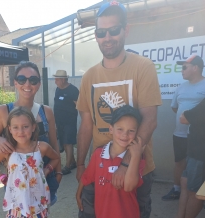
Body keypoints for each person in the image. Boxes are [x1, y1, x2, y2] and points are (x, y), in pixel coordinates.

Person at [75, 1, 162, 218]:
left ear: (126, 30)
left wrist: (125, 163)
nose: (107, 37)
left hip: (135, 169)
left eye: (114, 30)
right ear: (95, 35)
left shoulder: (143, 67)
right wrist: (80, 164)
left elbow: (150, 120)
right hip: (98, 168)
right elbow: (86, 125)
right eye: (101, 32)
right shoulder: (89, 76)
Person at [0, 61, 62, 206]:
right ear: (15, 82)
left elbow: (54, 145)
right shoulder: (3, 111)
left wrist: (58, 174)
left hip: (45, 180)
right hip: (17, 184)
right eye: (22, 79)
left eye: (33, 80)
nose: (27, 84)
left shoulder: (46, 112)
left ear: (39, 84)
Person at [0, 106, 60, 217]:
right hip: (17, 205)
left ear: (33, 127)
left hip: (39, 204)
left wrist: (47, 170)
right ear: (9, 129)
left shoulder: (42, 147)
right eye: (15, 127)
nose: (21, 131)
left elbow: (56, 158)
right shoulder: (7, 150)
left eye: (25, 126)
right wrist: (3, 178)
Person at [76, 105, 144, 218]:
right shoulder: (98, 154)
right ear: (111, 129)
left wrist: (136, 155)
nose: (125, 135)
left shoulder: (137, 157)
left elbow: (128, 187)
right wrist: (78, 194)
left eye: (131, 131)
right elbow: (87, 177)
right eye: (120, 129)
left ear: (137, 133)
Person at [162, 55, 205, 201]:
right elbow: (175, 108)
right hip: (180, 134)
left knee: (199, 165)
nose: (182, 70)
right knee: (179, 162)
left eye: (184, 67)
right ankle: (177, 190)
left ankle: (199, 195)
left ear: (195, 68)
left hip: (199, 137)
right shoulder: (181, 87)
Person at [176, 98, 205, 218]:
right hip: (194, 152)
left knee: (196, 192)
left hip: (200, 155)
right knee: (185, 182)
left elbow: (184, 117)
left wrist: (187, 111)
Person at [53, 70, 79, 175]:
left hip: (70, 122)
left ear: (63, 79)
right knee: (64, 143)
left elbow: (79, 106)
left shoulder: (73, 90)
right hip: (59, 121)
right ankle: (73, 162)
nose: (55, 81)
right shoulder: (57, 89)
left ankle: (67, 166)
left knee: (68, 143)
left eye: (57, 79)